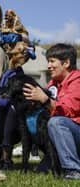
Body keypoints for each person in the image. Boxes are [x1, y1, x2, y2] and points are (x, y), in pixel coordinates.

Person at [23, 43, 80, 180]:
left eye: (52, 61)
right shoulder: (53, 83)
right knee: (42, 171)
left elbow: (68, 110)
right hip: (66, 137)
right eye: (48, 61)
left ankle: (73, 170)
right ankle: (55, 159)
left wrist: (45, 100)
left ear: (66, 63)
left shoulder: (77, 81)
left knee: (56, 122)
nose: (48, 66)